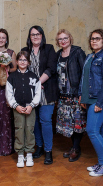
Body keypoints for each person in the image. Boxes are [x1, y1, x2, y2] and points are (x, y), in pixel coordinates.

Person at [21, 26, 58, 164]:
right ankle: (40, 147)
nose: (35, 36)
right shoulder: (25, 51)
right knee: (34, 121)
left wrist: (37, 83)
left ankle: (48, 151)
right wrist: (32, 85)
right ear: (29, 37)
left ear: (42, 35)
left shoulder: (49, 48)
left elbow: (51, 68)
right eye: (33, 34)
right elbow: (22, 69)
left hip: (46, 91)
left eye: (38, 34)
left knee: (45, 121)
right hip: (30, 92)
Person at [81, 29, 103, 177]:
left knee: (92, 130)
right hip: (89, 98)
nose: (94, 41)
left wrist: (100, 103)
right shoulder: (90, 57)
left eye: (98, 38)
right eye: (92, 38)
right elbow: (84, 78)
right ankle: (102, 162)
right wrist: (83, 97)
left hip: (100, 99)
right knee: (101, 130)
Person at [55, 29, 87, 162]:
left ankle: (76, 148)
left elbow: (85, 74)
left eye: (65, 38)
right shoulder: (57, 55)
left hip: (75, 95)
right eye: (60, 39)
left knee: (77, 123)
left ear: (70, 38)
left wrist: (82, 94)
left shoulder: (78, 52)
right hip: (63, 96)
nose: (63, 41)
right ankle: (74, 147)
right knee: (69, 124)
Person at [7, 51, 42, 167]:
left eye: (25, 60)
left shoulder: (34, 76)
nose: (22, 62)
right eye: (20, 60)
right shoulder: (12, 77)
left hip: (30, 108)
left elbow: (38, 93)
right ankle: (20, 154)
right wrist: (15, 106)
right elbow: (9, 93)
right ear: (16, 62)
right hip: (17, 108)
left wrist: (31, 105)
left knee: (29, 129)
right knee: (19, 129)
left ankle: (29, 153)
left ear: (28, 62)